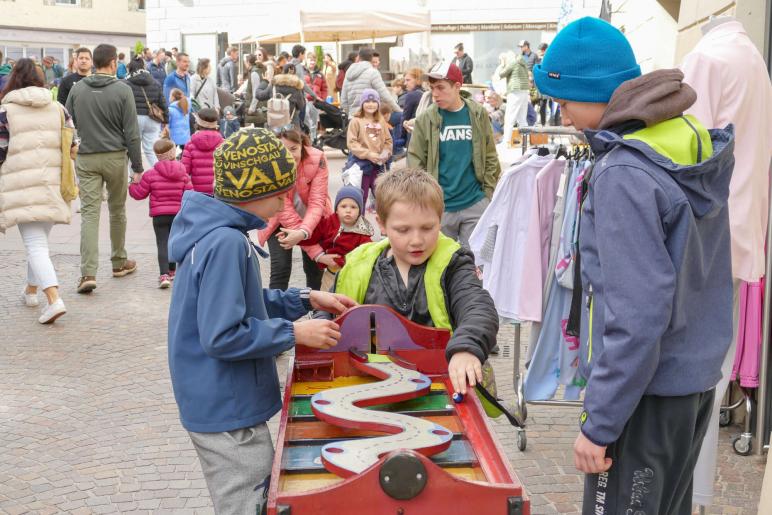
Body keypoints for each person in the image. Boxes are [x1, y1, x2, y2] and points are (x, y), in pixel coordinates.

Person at [533, 17, 735, 514]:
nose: (560, 115)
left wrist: (600, 424)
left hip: (644, 394)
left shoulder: (623, 172)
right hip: (689, 380)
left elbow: (637, 313)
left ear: (592, 91)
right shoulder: (680, 135)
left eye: (563, 101)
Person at [166, 127, 355, 515]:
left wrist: (304, 297)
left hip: (218, 397)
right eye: (282, 194)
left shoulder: (220, 234)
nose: (286, 202)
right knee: (248, 502)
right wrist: (293, 332)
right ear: (257, 194)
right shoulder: (226, 243)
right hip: (224, 406)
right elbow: (223, 335)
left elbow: (244, 303)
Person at [680, 17, 772, 510]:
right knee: (713, 371)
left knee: (693, 373)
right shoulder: (756, 63)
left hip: (707, 234)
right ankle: (696, 493)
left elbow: (687, 149)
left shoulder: (707, 59)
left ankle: (688, 492)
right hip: (743, 234)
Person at [330, 168, 497, 397]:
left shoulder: (454, 263)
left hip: (440, 385)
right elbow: (331, 312)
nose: (417, 240)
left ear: (440, 219)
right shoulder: (358, 263)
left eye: (428, 228)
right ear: (381, 224)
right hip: (368, 387)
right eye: (403, 230)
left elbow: (477, 306)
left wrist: (466, 348)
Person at [0, 58, 75, 323]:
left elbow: (0, 151)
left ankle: (54, 299)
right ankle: (30, 291)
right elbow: (73, 143)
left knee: (35, 245)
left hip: (22, 189)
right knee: (39, 241)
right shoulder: (58, 109)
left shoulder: (5, 111)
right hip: (53, 185)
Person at [66, 44, 143, 293]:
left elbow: (69, 121)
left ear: (94, 62)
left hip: (87, 157)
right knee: (117, 210)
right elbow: (132, 132)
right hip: (115, 157)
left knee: (89, 214)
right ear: (112, 63)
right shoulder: (123, 90)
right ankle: (119, 262)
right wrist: (138, 166)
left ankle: (88, 272)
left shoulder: (77, 89)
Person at [407, 62, 499, 249]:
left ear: (457, 86)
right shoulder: (426, 119)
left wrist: (487, 194)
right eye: (432, 88)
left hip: (475, 202)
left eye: (441, 87)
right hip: (440, 207)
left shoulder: (477, 113)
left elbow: (490, 155)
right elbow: (415, 163)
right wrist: (426, 200)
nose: (435, 94)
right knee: (439, 265)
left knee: (475, 266)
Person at [257, 128, 331, 291]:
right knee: (280, 269)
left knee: (314, 270)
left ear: (302, 146)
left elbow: (317, 201)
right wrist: (312, 246)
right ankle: (275, 312)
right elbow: (284, 210)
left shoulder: (317, 159)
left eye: (293, 149)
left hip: (314, 221)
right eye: (283, 150)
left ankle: (315, 309)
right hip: (279, 222)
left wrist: (303, 233)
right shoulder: (269, 165)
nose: (289, 155)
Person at [129, 138, 192, 288]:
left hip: (159, 216)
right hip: (178, 214)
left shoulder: (151, 174)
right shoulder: (183, 173)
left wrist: (132, 183)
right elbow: (190, 194)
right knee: (174, 242)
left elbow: (139, 194)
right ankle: (172, 271)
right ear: (173, 153)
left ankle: (164, 275)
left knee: (162, 243)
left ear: (157, 156)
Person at [300, 185, 374, 292]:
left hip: (351, 277)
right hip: (331, 273)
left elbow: (368, 254)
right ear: (337, 210)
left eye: (353, 207)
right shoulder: (329, 222)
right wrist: (298, 236)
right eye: (343, 206)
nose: (348, 210)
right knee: (325, 301)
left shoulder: (362, 232)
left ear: (359, 211)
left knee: (345, 303)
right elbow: (313, 235)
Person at [346, 89, 393, 207]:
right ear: (362, 104)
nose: (371, 104)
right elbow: (352, 143)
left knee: (382, 198)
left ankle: (386, 224)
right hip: (361, 165)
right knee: (361, 197)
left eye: (374, 101)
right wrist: (368, 154)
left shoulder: (381, 120)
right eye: (367, 101)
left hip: (378, 165)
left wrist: (385, 154)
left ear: (378, 104)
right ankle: (360, 223)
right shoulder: (356, 121)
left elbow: (388, 141)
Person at [124, 57, 168, 167]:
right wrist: (166, 119)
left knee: (133, 150)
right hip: (153, 119)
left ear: (130, 69)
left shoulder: (126, 84)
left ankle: (134, 178)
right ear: (144, 67)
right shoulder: (155, 82)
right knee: (151, 150)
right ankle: (159, 172)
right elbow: (162, 102)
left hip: (135, 118)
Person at [340, 47, 401, 116]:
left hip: (353, 117)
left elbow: (343, 101)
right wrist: (399, 110)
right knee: (399, 118)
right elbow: (385, 96)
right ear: (371, 58)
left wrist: (351, 114)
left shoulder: (348, 73)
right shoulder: (373, 72)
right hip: (370, 117)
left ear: (358, 57)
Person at [181, 108, 223, 195]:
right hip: (220, 190)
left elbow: (184, 172)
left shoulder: (190, 144)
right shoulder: (224, 144)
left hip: (198, 193)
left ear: (198, 123)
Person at [255, 64, 306, 130]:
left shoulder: (274, 86)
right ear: (294, 73)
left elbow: (259, 95)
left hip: (274, 125)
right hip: (291, 125)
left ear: (282, 72)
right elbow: (301, 106)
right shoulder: (296, 89)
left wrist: (264, 81)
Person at [497, 49, 530, 145]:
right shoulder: (522, 63)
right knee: (522, 119)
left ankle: (506, 142)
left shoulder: (512, 63)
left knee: (509, 117)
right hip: (524, 91)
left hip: (515, 91)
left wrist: (502, 64)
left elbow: (501, 74)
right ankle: (526, 142)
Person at [304, 53, 328, 142]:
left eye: (314, 60)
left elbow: (324, 88)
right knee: (307, 121)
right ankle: (307, 138)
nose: (312, 62)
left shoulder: (320, 74)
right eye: (310, 60)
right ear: (306, 60)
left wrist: (323, 98)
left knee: (314, 122)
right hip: (305, 101)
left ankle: (313, 139)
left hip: (316, 102)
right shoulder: (302, 72)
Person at [400, 67, 425, 145]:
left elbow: (405, 117)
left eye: (408, 80)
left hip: (413, 134)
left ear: (417, 80)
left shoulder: (411, 95)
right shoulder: (426, 93)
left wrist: (402, 138)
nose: (405, 83)